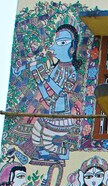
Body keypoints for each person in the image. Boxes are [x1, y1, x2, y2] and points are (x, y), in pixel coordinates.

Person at [13, 24, 81, 162]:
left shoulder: (71, 71)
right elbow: (46, 92)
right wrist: (36, 76)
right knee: (36, 136)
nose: (54, 48)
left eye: (62, 43)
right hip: (51, 112)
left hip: (62, 116)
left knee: (48, 142)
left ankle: (62, 152)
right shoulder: (57, 68)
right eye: (55, 43)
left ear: (72, 48)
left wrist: (42, 75)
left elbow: (60, 91)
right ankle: (43, 155)